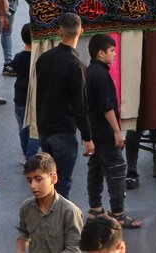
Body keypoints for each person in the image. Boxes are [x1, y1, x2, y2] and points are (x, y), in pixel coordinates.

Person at [34, 12, 95, 199]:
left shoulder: (43, 59)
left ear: (59, 31)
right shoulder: (76, 65)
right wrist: (87, 137)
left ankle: (45, 218)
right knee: (63, 183)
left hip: (45, 128)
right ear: (81, 31)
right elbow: (80, 105)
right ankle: (58, 223)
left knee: (47, 182)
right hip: (64, 131)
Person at [86, 33, 141, 229]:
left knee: (95, 169)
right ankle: (118, 214)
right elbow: (107, 106)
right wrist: (117, 131)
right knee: (117, 169)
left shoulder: (90, 71)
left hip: (93, 130)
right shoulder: (101, 75)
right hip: (103, 131)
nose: (115, 55)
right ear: (101, 53)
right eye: (112, 51)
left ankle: (95, 209)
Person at [17, 152, 84, 253]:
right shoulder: (26, 207)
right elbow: (23, 233)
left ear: (53, 178)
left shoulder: (70, 212)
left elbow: (73, 249)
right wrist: (20, 249)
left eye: (38, 179)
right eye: (29, 180)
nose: (33, 185)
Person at [11, 24, 41, 160]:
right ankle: (31, 155)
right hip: (35, 98)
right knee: (35, 129)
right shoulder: (40, 58)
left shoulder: (19, 57)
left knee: (23, 128)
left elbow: (13, 68)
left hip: (20, 98)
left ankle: (25, 154)